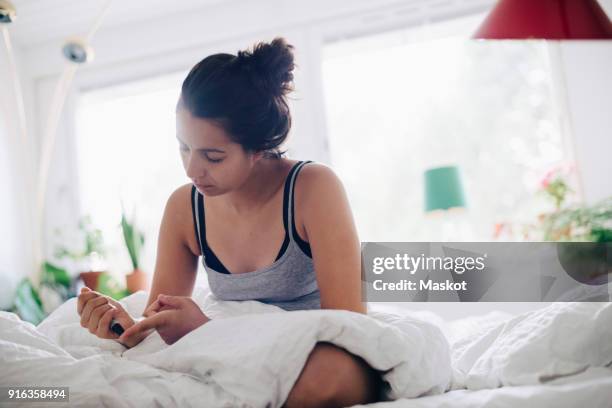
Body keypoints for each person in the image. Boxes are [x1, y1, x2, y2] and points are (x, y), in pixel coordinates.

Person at [77, 37, 382, 407]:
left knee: (327, 375)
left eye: (213, 156)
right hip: (229, 354)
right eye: (183, 147)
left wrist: (206, 332)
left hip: (309, 349)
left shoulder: (313, 189)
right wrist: (123, 327)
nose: (192, 169)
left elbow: (349, 325)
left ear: (256, 149)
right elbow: (159, 323)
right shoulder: (184, 208)